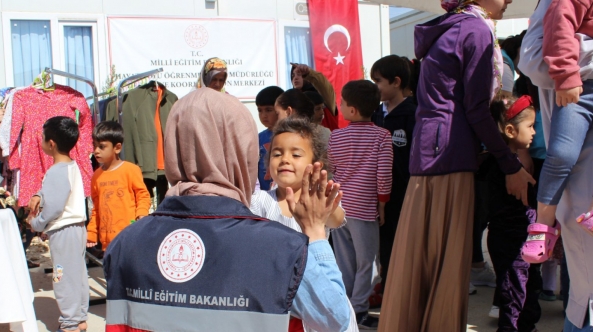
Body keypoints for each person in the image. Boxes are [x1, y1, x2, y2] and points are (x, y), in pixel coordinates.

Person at [102, 88, 351, 331]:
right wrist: (316, 235)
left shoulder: (124, 245)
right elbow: (334, 318)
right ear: (242, 151)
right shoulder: (282, 249)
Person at [378, 0, 536, 330]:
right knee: (446, 265)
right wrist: (509, 164)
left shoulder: (451, 26)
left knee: (419, 260)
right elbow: (476, 109)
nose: (508, 0)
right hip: (450, 152)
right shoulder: (475, 29)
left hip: (431, 150)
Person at [249, 117, 356, 332]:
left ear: (315, 165)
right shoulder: (260, 201)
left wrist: (324, 204)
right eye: (277, 154)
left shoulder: (319, 201)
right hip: (276, 302)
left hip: (318, 296)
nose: (285, 159)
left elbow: (337, 218)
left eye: (296, 154)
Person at [521, 0, 593, 265]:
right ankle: (543, 225)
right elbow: (559, 25)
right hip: (580, 87)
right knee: (561, 153)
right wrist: (566, 76)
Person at [329, 80, 393, 330]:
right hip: (365, 211)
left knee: (344, 262)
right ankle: (359, 309)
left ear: (352, 110)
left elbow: (332, 171)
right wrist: (383, 205)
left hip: (339, 209)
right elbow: (384, 176)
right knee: (367, 263)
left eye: (342, 102)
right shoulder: (382, 136)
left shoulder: (337, 136)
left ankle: (345, 307)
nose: (340, 106)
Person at [481, 96, 542, 332]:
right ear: (509, 130)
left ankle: (527, 328)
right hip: (509, 241)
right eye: (530, 126)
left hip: (524, 242)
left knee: (529, 289)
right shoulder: (502, 165)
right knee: (513, 294)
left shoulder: (512, 161)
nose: (534, 132)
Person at [28, 116, 89, 332]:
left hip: (63, 232)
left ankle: (70, 323)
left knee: (61, 275)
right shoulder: (71, 166)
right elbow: (55, 194)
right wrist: (39, 195)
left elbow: (53, 208)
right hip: (76, 229)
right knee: (77, 274)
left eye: (43, 138)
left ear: (51, 143)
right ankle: (79, 317)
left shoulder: (56, 171)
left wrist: (35, 223)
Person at [368, 55, 417, 300]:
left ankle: (396, 288)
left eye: (378, 81)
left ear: (396, 82)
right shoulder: (375, 113)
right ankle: (386, 281)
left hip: (403, 191)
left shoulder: (413, 114)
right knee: (383, 240)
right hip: (378, 191)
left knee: (401, 240)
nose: (374, 87)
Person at [86, 121, 151, 251]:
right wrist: (92, 232)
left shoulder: (130, 170)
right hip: (107, 241)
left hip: (130, 235)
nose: (96, 151)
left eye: (102, 146)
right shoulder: (96, 176)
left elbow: (142, 195)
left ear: (117, 148)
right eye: (95, 146)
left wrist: (142, 213)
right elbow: (96, 208)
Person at [291, 63, 342, 130]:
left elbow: (324, 86)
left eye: (299, 74)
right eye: (293, 75)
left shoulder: (324, 97)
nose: (295, 78)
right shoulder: (291, 101)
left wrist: (310, 73)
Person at [256, 86, 284, 191]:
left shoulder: (289, 135)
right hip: (263, 192)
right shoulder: (258, 137)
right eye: (260, 110)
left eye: (268, 110)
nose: (263, 115)